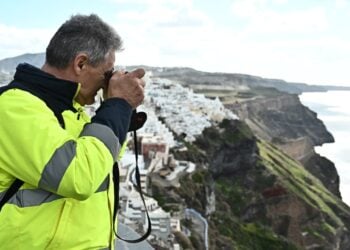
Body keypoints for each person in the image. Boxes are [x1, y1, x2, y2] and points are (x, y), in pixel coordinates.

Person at [0, 14, 145, 249]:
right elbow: (79, 177)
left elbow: (104, 161)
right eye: (107, 73)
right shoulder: (14, 107)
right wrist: (118, 105)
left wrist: (120, 115)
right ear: (81, 63)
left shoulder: (71, 110)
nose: (106, 83)